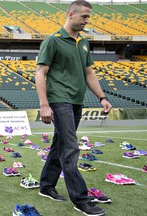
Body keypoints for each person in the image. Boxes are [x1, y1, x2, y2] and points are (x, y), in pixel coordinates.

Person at [35, 1, 112, 216]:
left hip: (77, 101)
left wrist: (102, 97)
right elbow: (40, 73)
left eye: (89, 17)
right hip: (60, 100)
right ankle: (81, 200)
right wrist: (44, 104)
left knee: (60, 143)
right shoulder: (53, 40)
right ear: (71, 14)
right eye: (84, 16)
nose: (87, 21)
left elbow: (89, 73)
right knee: (70, 147)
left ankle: (46, 186)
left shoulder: (84, 42)